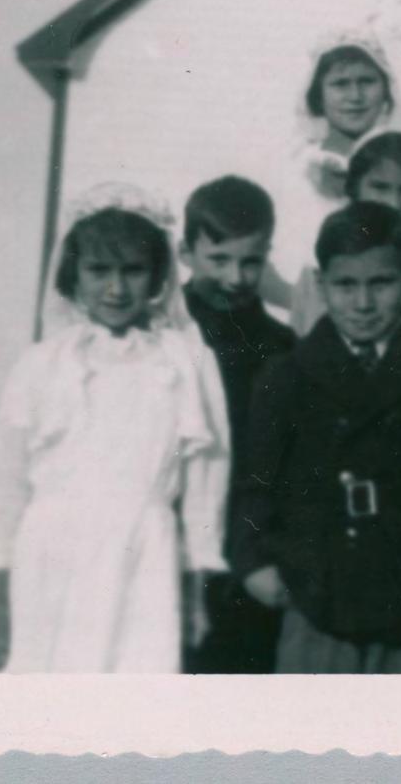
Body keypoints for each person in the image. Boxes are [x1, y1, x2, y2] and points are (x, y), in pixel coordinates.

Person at [230, 203, 401, 673]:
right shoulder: (286, 376)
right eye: (345, 285)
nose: (362, 303)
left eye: (381, 284)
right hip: (314, 586)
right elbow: (254, 481)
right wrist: (253, 561)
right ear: (320, 285)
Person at [0, 184, 231, 673]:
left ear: (158, 274)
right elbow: (2, 490)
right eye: (99, 270)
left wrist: (197, 595)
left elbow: (204, 492)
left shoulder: (187, 362)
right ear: (74, 273)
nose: (116, 288)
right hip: (48, 559)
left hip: (145, 563)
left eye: (132, 271)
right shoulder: (41, 365)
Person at [177, 176, 297, 674]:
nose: (236, 277)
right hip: (166, 548)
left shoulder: (284, 347)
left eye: (251, 261)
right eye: (219, 259)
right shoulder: (159, 336)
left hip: (247, 559)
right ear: (186, 252)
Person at [281, 131, 401, 347]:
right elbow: (302, 345)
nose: (394, 203)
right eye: (380, 187)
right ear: (354, 189)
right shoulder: (319, 264)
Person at [267, 31, 400, 316]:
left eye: (367, 82)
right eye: (340, 84)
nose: (355, 96)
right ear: (318, 94)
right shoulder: (292, 165)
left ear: (385, 89)